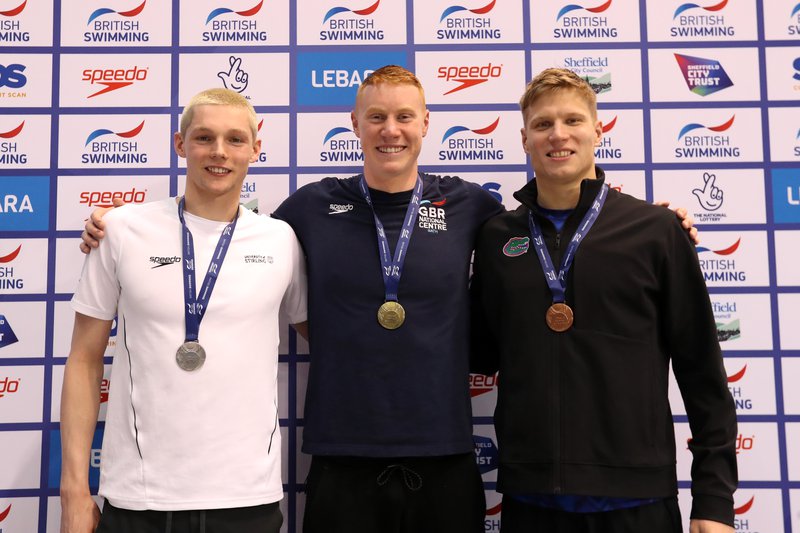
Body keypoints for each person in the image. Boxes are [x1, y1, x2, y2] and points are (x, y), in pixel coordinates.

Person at [79, 66, 699, 533]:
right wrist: (118, 226)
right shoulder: (308, 210)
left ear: (426, 124)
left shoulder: (475, 207)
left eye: (405, 116)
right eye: (376, 116)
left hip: (447, 456)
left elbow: (553, 232)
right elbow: (230, 244)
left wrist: (664, 220)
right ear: (354, 125)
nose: (390, 129)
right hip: (342, 458)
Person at [469, 68, 737, 533]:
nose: (558, 135)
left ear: (598, 129)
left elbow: (703, 374)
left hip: (637, 500)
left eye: (573, 120)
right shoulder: (498, 238)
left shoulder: (654, 232)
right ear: (524, 138)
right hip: (531, 501)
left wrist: (713, 500)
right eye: (542, 124)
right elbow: (478, 352)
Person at [60, 88, 307, 533]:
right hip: (139, 497)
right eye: (203, 138)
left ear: (256, 148)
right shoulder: (118, 230)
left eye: (235, 139)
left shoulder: (281, 240)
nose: (219, 152)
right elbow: (83, 359)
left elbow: (330, 335)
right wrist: (75, 490)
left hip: (248, 497)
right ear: (180, 144)